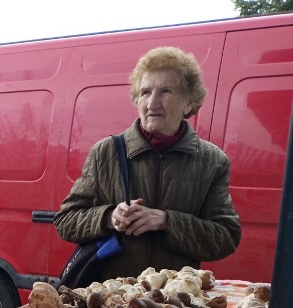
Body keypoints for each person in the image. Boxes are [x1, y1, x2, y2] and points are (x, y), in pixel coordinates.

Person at [54, 46, 241, 281]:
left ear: (189, 102)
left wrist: (167, 221)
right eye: (145, 92)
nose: (152, 103)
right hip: (111, 302)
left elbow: (226, 236)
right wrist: (109, 217)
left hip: (173, 305)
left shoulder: (212, 161)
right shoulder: (106, 152)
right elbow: (65, 220)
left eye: (165, 91)